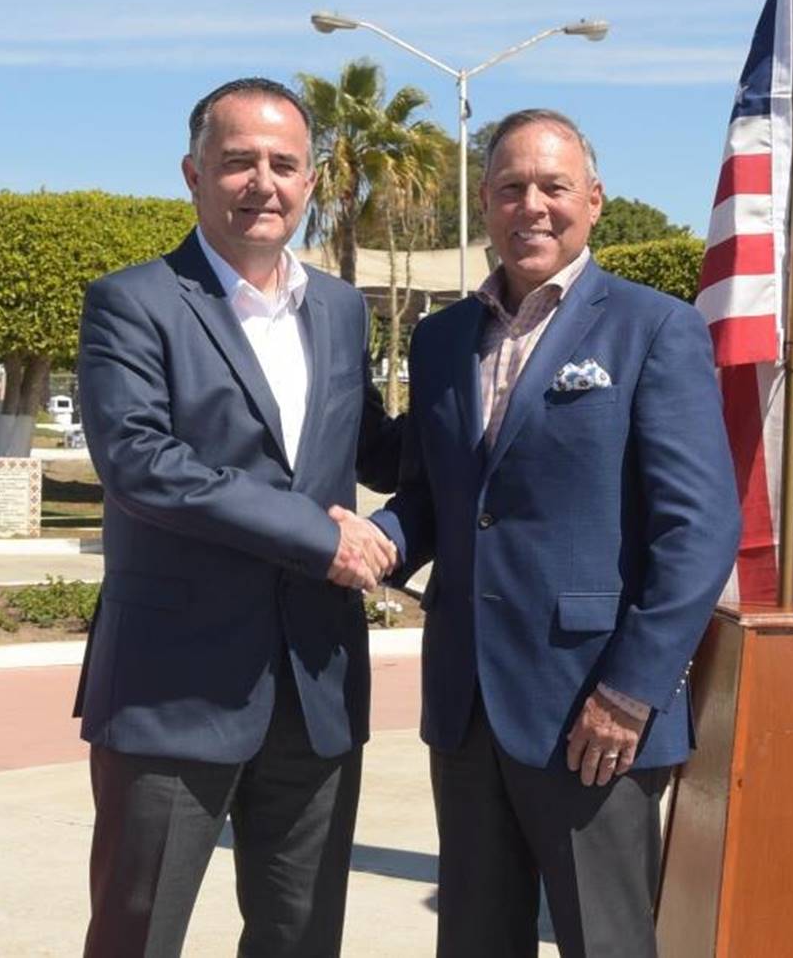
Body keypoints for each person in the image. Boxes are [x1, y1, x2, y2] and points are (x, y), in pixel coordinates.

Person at [371, 109, 741, 957]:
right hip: (466, 706)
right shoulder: (440, 340)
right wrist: (375, 538)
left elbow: (699, 527)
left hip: (594, 714)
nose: (531, 206)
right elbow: (435, 497)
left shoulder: (653, 327)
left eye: (553, 186)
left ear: (594, 199)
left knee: (604, 942)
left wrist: (631, 691)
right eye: (510, 188)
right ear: (485, 202)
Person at [74, 77, 401, 957]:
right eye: (238, 162)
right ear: (194, 173)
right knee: (138, 937)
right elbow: (143, 463)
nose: (263, 183)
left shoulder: (340, 308)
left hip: (318, 685)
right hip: (172, 688)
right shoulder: (132, 302)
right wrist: (321, 536)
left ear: (310, 180)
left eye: (284, 164)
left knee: (301, 937)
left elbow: (372, 445)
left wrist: (493, 410)